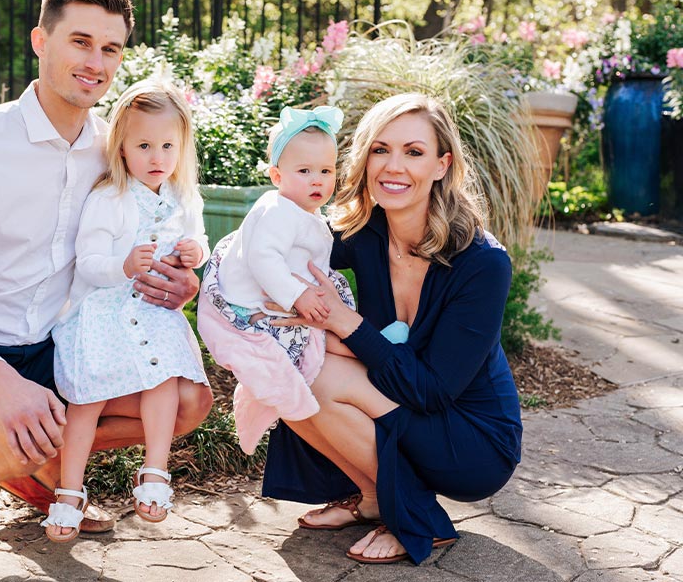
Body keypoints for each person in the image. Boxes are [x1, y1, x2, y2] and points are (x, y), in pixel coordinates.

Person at [0, 0, 212, 571]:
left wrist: (183, 279)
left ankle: (33, 465)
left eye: (110, 48)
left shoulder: (116, 147)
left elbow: (153, 231)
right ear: (41, 41)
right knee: (27, 428)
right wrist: (2, 383)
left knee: (189, 401)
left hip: (52, 348)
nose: (96, 62)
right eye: (80, 41)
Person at [263, 93, 522, 565]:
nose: (393, 166)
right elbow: (274, 245)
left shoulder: (483, 263)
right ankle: (375, 497)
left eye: (414, 152)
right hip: (405, 402)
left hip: (473, 442)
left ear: (443, 165)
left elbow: (433, 391)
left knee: (316, 372)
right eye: (380, 149)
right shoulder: (364, 234)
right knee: (280, 370)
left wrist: (346, 327)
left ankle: (416, 517)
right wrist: (190, 262)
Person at [41, 79, 210, 541]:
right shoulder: (109, 198)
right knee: (87, 399)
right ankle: (69, 489)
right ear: (121, 147)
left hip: (153, 312)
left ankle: (155, 470)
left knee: (165, 378)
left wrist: (197, 251)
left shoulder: (183, 198)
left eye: (168, 146)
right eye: (144, 145)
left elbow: (200, 241)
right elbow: (89, 261)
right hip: (103, 312)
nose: (157, 157)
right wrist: (122, 265)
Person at [197, 106, 409, 456]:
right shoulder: (276, 211)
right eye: (304, 170)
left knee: (327, 331)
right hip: (258, 309)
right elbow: (263, 259)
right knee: (323, 338)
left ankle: (372, 349)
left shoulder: (301, 212)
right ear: (277, 176)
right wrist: (297, 295)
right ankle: (376, 350)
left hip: (288, 297)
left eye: (326, 171)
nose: (317, 180)